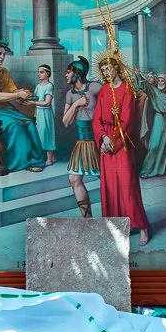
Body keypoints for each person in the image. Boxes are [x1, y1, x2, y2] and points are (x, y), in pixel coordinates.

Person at [93, 55, 151, 246]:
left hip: (122, 145)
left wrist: (113, 142)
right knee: (110, 188)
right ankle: (116, 227)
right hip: (106, 144)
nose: (106, 73)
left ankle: (142, 227)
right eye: (103, 70)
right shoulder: (103, 90)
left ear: (116, 68)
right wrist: (103, 138)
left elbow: (127, 122)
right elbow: (97, 119)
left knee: (128, 187)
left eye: (108, 69)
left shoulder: (127, 90)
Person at [0, 42, 45, 173]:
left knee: (29, 123)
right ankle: (19, 162)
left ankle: (36, 159)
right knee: (15, 125)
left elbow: (13, 91)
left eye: (3, 54)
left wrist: (23, 94)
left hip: (3, 107)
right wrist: (18, 94)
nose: (2, 57)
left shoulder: (4, 72)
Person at [59, 57, 99, 216]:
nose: (66, 75)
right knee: (74, 179)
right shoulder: (70, 94)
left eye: (68, 72)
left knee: (107, 180)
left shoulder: (94, 87)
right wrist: (76, 104)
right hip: (82, 143)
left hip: (98, 141)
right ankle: (88, 219)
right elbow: (66, 122)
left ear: (77, 73)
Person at [31, 63, 57, 166]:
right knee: (40, 134)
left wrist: (32, 102)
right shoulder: (38, 86)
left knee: (47, 134)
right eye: (38, 72)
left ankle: (50, 159)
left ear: (48, 73)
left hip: (46, 113)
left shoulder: (49, 86)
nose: (39, 74)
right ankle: (51, 157)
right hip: (38, 113)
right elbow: (35, 97)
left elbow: (47, 102)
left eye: (41, 72)